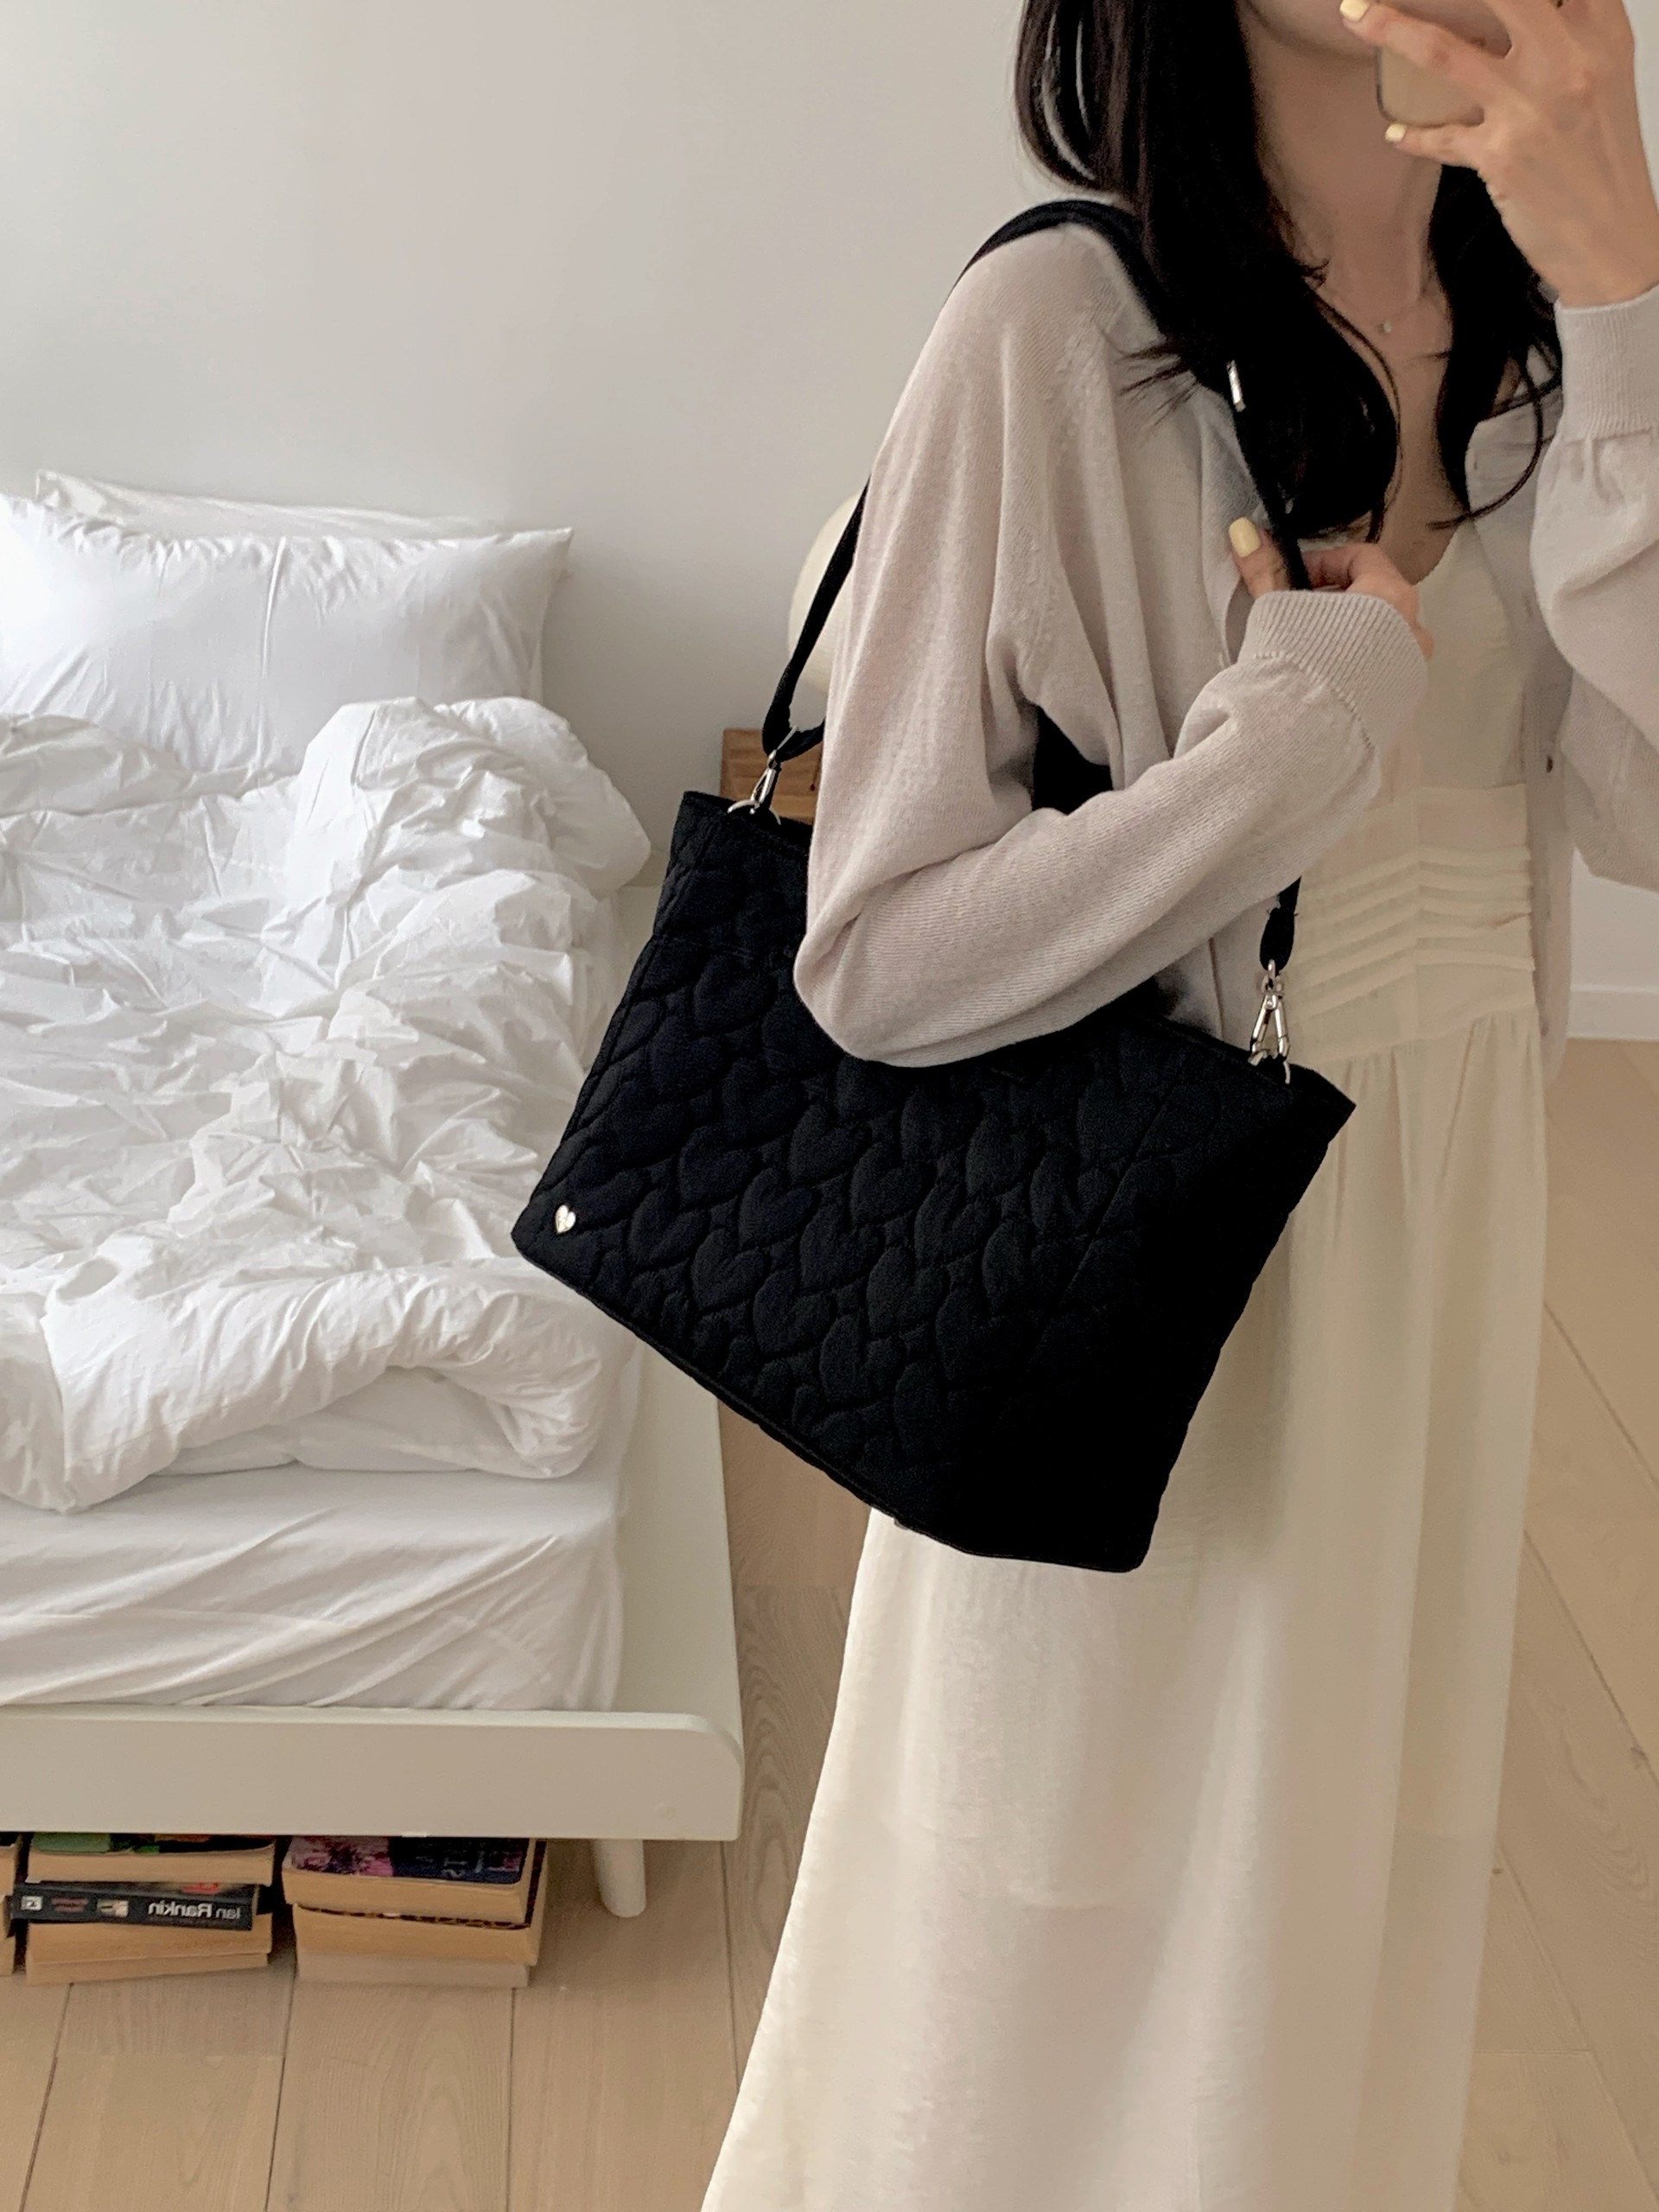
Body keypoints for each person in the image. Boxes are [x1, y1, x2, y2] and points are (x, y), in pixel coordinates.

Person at [702, 0, 1659, 2204]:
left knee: (1327, 1954)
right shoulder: (1060, 328)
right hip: (1134, 1269)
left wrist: (1626, 298)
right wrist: (1284, 754)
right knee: (1030, 1963)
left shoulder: (1546, 339)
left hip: (1437, 1249)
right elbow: (876, 951)